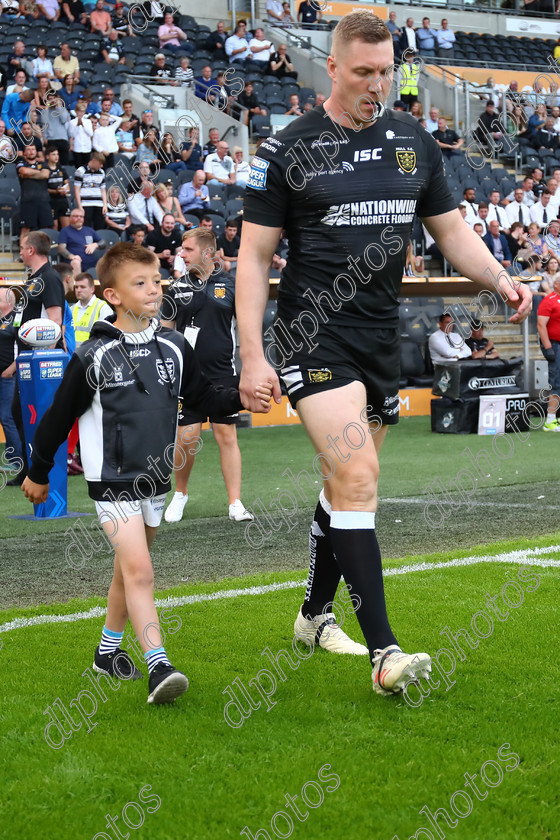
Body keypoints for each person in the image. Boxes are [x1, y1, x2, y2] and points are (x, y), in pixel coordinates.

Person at [236, 10, 532, 695]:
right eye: (363, 72)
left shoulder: (412, 142)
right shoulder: (288, 149)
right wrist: (253, 355)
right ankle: (385, 654)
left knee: (347, 483)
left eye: (386, 72)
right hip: (313, 336)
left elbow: (452, 231)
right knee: (359, 475)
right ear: (332, 69)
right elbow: (253, 260)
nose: (376, 85)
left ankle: (313, 614)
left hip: (378, 337)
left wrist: (498, 277)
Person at [21, 242, 270, 703]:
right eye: (140, 283)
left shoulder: (174, 347)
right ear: (112, 295)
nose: (154, 290)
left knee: (127, 570)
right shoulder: (91, 356)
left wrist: (241, 398)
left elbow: (204, 398)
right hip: (111, 485)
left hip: (155, 481)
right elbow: (57, 419)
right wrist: (37, 472)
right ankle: (159, 665)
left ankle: (106, 653)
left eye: (156, 281)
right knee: (140, 571)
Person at [161, 228, 255, 524]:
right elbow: (165, 330)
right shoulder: (176, 288)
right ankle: (181, 493)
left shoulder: (230, 286)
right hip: (187, 378)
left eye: (187, 249)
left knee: (226, 435)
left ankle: (235, 502)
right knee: (186, 438)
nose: (181, 254)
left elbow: (247, 328)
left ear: (207, 253)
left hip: (223, 376)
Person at [8, 231, 65, 485]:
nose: (19, 251)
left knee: (34, 412)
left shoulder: (50, 278)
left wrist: (44, 356)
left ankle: (40, 468)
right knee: (20, 411)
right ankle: (29, 468)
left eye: (22, 247)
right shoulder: (35, 278)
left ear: (31, 250)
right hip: (27, 357)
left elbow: (55, 321)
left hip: (39, 359)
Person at [0, 288, 24, 476]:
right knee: (5, 418)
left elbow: (23, 348)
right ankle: (12, 457)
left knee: (8, 417)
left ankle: (17, 460)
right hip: (2, 377)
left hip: (9, 377)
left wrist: (11, 370)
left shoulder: (18, 318)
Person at [537, 275, 560, 431]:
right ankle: (550, 420)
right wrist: (548, 347)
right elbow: (540, 325)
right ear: (556, 284)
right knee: (557, 380)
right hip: (555, 344)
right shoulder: (549, 300)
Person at [16, 144, 52, 236]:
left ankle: (44, 250)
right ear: (24, 153)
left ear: (36, 152)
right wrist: (39, 173)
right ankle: (23, 250)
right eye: (28, 150)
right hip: (28, 201)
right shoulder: (21, 163)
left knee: (45, 229)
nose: (31, 151)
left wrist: (30, 174)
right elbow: (23, 171)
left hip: (43, 200)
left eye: (33, 149)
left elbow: (45, 175)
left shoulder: (43, 163)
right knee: (25, 229)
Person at [71, 270, 112, 346]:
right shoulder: (72, 309)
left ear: (92, 289)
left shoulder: (102, 307)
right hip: (74, 355)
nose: (78, 290)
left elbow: (107, 336)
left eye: (82, 287)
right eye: (76, 287)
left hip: (92, 354)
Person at [59, 207, 107, 271]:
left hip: (92, 263)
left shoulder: (89, 230)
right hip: (74, 263)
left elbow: (103, 243)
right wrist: (72, 256)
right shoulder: (65, 231)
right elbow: (61, 248)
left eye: (81, 217)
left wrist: (95, 245)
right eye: (76, 216)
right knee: (76, 262)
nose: (79, 218)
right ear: (70, 218)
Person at [74, 151, 107, 230]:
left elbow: (103, 190)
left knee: (100, 228)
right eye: (100, 163)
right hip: (86, 204)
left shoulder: (101, 172)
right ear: (94, 160)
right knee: (86, 228)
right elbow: (77, 190)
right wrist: (80, 206)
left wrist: (105, 204)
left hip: (99, 204)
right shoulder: (81, 171)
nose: (101, 166)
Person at [45, 144, 70, 230]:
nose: (56, 157)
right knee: (54, 225)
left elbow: (67, 184)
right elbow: (44, 188)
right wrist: (56, 191)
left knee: (66, 226)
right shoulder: (45, 170)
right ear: (47, 156)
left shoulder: (62, 169)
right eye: (53, 154)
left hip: (63, 200)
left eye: (57, 154)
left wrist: (65, 190)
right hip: (51, 201)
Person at [69, 101, 93, 168]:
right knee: (78, 167)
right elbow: (72, 135)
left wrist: (83, 125)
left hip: (87, 148)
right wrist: (77, 125)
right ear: (76, 111)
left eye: (82, 111)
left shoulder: (88, 121)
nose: (81, 113)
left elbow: (90, 133)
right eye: (79, 111)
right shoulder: (72, 122)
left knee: (86, 166)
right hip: (77, 148)